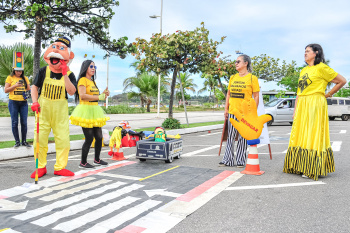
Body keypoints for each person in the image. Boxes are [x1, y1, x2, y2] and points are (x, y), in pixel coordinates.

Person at [283, 43, 346, 180]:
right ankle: (299, 165)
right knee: (299, 133)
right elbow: (299, 92)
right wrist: (295, 110)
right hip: (302, 104)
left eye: (307, 51)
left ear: (316, 53)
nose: (305, 53)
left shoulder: (322, 67)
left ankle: (312, 167)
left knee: (313, 133)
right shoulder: (303, 70)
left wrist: (328, 94)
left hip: (315, 103)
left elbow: (342, 81)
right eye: (304, 51)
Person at [30, 36, 77, 178]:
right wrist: (34, 102)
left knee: (63, 139)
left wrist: (64, 74)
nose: (56, 50)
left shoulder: (70, 74)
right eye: (54, 46)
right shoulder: (44, 71)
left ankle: (60, 167)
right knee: (39, 139)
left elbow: (71, 91)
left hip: (60, 112)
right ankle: (40, 166)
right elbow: (34, 87)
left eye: (62, 48)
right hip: (43, 110)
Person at [219, 54, 260, 167]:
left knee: (242, 137)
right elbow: (228, 94)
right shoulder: (233, 77)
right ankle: (228, 160)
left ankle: (241, 160)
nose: (236, 64)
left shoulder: (252, 78)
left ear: (246, 63)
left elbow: (256, 96)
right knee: (230, 137)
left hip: (245, 114)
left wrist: (253, 112)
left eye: (238, 61)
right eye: (235, 62)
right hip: (232, 111)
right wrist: (226, 109)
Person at [70, 60, 110, 169]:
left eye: (94, 66)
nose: (93, 68)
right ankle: (83, 162)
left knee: (99, 136)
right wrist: (99, 97)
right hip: (86, 111)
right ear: (85, 67)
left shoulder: (92, 81)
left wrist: (103, 95)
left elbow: (96, 96)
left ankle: (97, 159)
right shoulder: (82, 80)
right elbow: (82, 96)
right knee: (89, 138)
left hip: (95, 110)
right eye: (91, 66)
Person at [5, 67, 31, 148]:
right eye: (17, 71)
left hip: (23, 103)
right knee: (14, 122)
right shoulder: (10, 78)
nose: (19, 72)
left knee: (24, 122)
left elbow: (29, 89)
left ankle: (24, 141)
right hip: (13, 102)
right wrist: (15, 85)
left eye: (20, 71)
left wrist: (26, 93)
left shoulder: (25, 78)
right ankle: (17, 141)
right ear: (14, 71)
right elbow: (6, 90)